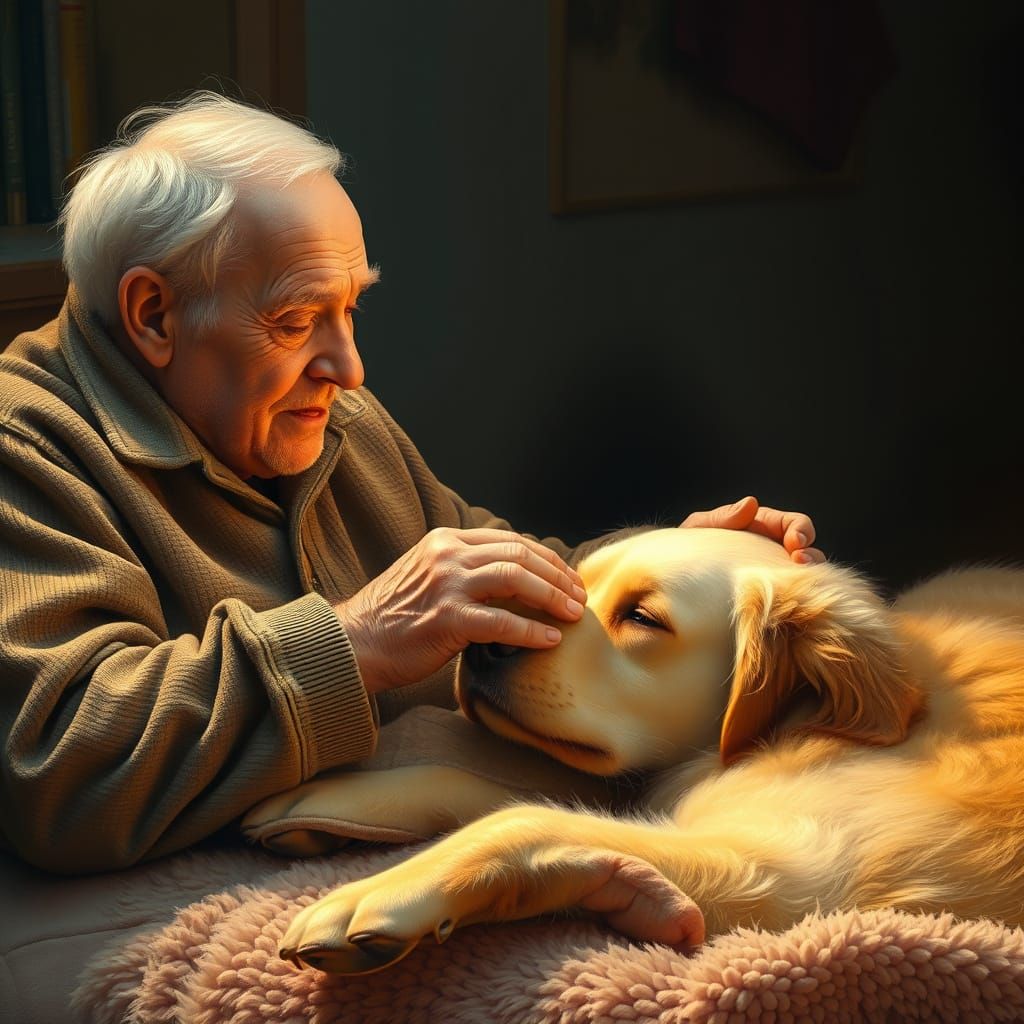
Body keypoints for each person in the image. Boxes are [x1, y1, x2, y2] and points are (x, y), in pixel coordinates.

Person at [0, 92, 823, 874]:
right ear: (152, 315)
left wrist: (672, 575)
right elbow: (58, 767)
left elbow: (493, 578)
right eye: (295, 320)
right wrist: (355, 643)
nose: (350, 368)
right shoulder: (24, 446)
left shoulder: (325, 412)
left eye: (352, 309)